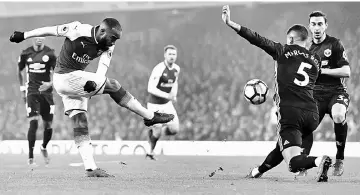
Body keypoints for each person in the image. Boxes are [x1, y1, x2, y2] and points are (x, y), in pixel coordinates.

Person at [10, 18, 174, 177]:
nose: (113, 42)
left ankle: (90, 168)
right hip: (64, 77)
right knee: (114, 85)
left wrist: (94, 83)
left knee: (80, 121)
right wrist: (24, 35)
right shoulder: (77, 29)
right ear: (102, 30)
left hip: (73, 82)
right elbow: (51, 30)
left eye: (116, 39)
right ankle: (149, 116)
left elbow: (103, 68)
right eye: (112, 38)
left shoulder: (109, 45)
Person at [222, 5, 332, 182]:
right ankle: (258, 171)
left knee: (293, 164)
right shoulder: (316, 60)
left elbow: (256, 39)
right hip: (312, 114)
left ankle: (320, 160)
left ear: (290, 38)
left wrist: (231, 23)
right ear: (306, 39)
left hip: (290, 113)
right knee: (282, 146)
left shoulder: (283, 51)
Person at [246, 10, 351, 179]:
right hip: (313, 96)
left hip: (335, 92)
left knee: (338, 114)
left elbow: (346, 71)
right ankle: (302, 162)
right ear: (309, 27)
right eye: (314, 24)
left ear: (325, 26)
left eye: (320, 24)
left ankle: (338, 159)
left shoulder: (334, 44)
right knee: (300, 132)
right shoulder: (306, 49)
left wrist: (321, 71)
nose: (317, 27)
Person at [17, 37, 56, 167]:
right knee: (33, 123)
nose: (39, 40)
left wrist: (51, 83)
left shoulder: (50, 53)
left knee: (48, 125)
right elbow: (20, 71)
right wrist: (22, 89)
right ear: (32, 39)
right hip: (32, 92)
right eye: (36, 38)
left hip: (47, 93)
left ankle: (44, 147)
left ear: (44, 39)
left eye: (41, 37)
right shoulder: (25, 53)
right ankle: (30, 157)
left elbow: (58, 72)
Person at [146, 45, 180, 160]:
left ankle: (156, 131)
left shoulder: (176, 69)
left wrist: (174, 94)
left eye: (174, 54)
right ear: (165, 55)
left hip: (167, 104)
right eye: (170, 54)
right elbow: (150, 88)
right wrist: (167, 95)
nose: (172, 56)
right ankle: (150, 151)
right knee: (157, 131)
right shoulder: (159, 69)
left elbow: (175, 82)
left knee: (174, 130)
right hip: (154, 105)